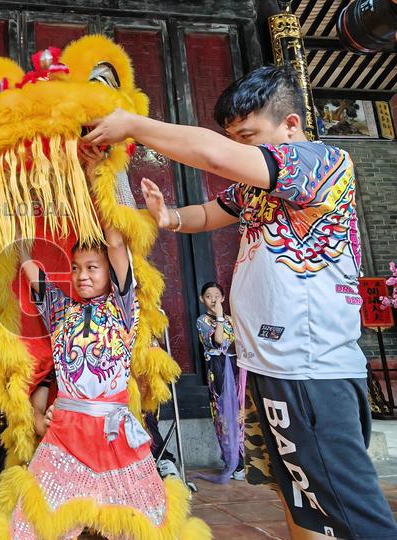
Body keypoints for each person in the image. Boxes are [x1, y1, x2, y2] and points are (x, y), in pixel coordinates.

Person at [85, 64, 397, 539]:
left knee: (352, 515)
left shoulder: (321, 162)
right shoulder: (256, 187)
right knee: (298, 495)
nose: (239, 148)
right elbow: (211, 212)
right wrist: (166, 217)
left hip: (310, 369)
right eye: (233, 137)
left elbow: (214, 156)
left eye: (247, 137)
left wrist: (133, 123)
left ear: (290, 125)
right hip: (271, 364)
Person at [10, 183, 186, 538]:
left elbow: (117, 244)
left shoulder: (122, 308)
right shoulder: (61, 311)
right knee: (34, 523)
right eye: (76, 268)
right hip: (66, 432)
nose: (82, 275)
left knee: (137, 526)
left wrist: (104, 178)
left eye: (92, 267)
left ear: (110, 273)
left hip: (113, 434)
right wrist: (15, 224)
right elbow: (30, 265)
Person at [196, 281, 246, 482]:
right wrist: (218, 317)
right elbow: (218, 341)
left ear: (223, 298)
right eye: (209, 296)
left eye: (217, 295)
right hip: (217, 368)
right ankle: (233, 461)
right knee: (224, 414)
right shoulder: (202, 321)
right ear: (202, 299)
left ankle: (242, 461)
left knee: (240, 412)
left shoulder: (231, 320)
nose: (213, 299)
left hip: (235, 366)